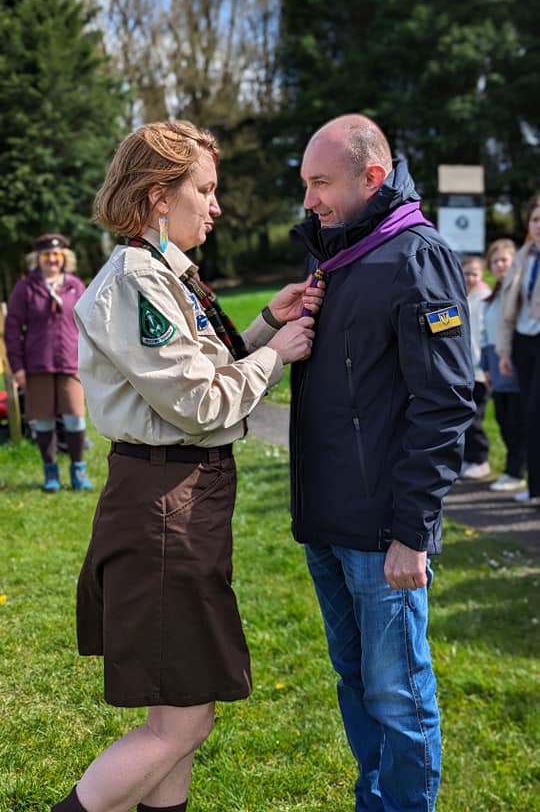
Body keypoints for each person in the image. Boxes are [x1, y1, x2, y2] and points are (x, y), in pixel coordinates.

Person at [51, 119, 323, 812]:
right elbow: (199, 403)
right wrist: (278, 352)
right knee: (183, 719)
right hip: (164, 504)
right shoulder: (136, 283)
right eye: (204, 189)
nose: (216, 205)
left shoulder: (164, 273)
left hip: (179, 498)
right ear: (156, 196)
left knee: (180, 714)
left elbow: (203, 366)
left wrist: (264, 323)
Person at [289, 114, 475, 812]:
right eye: (304, 184)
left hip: (382, 534)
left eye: (320, 183)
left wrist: (412, 529)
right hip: (328, 524)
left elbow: (446, 403)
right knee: (356, 681)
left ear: (373, 179)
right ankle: (374, 800)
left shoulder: (416, 256)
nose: (308, 201)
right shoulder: (334, 253)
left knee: (398, 694)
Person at [5, 233, 92, 492]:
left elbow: (89, 324)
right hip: (37, 365)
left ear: (64, 258)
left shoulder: (76, 286)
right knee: (43, 421)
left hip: (70, 363)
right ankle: (50, 473)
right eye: (46, 256)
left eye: (56, 255)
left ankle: (78, 471)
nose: (52, 260)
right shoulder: (26, 287)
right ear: (38, 259)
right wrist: (17, 367)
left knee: (75, 418)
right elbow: (11, 329)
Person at [497, 193, 540, 504]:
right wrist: (504, 352)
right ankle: (535, 486)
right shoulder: (522, 257)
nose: (539, 226)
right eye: (536, 219)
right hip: (523, 343)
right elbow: (505, 311)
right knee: (528, 414)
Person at [480, 239, 526, 493]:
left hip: (515, 363)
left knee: (517, 421)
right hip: (496, 364)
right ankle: (515, 468)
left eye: (504, 260)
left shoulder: (519, 291)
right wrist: (486, 366)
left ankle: (515, 471)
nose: (499, 265)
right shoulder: (494, 295)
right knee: (503, 419)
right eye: (495, 261)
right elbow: (488, 334)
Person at [460, 254, 491, 480]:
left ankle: (481, 459)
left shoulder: (485, 298)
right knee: (464, 418)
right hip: (463, 369)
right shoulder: (461, 295)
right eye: (466, 273)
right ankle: (468, 458)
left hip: (480, 370)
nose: (469, 278)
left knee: (476, 418)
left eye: (474, 274)